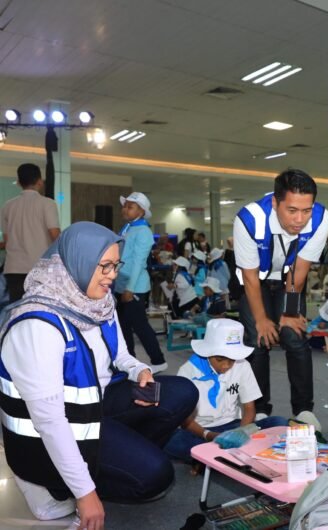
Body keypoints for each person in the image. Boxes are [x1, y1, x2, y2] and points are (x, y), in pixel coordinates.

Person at [0, 222, 198, 529]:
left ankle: (117, 461)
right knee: (156, 475)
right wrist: (85, 494)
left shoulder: (99, 303)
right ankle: (61, 487)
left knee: (183, 392)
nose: (113, 275)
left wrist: (139, 370)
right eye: (104, 265)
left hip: (95, 406)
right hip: (50, 435)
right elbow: (49, 421)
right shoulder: (38, 325)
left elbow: (120, 355)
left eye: (116, 265)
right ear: (77, 261)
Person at [234, 169, 328, 428]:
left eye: (306, 210)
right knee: (257, 338)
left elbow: (300, 269)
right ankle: (259, 409)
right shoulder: (249, 219)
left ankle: (304, 409)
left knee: (294, 335)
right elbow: (250, 277)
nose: (300, 219)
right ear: (276, 203)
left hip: (289, 279)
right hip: (256, 281)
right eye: (292, 210)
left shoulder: (320, 218)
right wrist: (262, 320)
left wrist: (288, 313)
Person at [163, 319, 286, 467]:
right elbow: (185, 420)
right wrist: (208, 435)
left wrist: (240, 433)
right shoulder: (187, 371)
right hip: (199, 431)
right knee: (167, 441)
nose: (226, 365)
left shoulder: (242, 365)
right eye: (220, 359)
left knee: (278, 423)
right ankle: (224, 457)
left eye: (231, 360)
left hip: (233, 425)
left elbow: (249, 407)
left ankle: (209, 459)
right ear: (208, 352)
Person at [115, 192, 168, 373]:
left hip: (134, 286)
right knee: (123, 326)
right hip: (122, 283)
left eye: (130, 207)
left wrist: (130, 289)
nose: (125, 209)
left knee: (140, 326)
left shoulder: (143, 231)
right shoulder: (128, 227)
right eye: (125, 206)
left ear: (141, 211)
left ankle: (158, 361)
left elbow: (138, 262)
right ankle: (128, 361)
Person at [1, 163, 60, 301]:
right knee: (40, 305)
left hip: (14, 268)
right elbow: (55, 235)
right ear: (40, 181)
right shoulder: (48, 204)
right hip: (40, 267)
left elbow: (7, 239)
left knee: (18, 307)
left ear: (19, 183)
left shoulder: (8, 206)